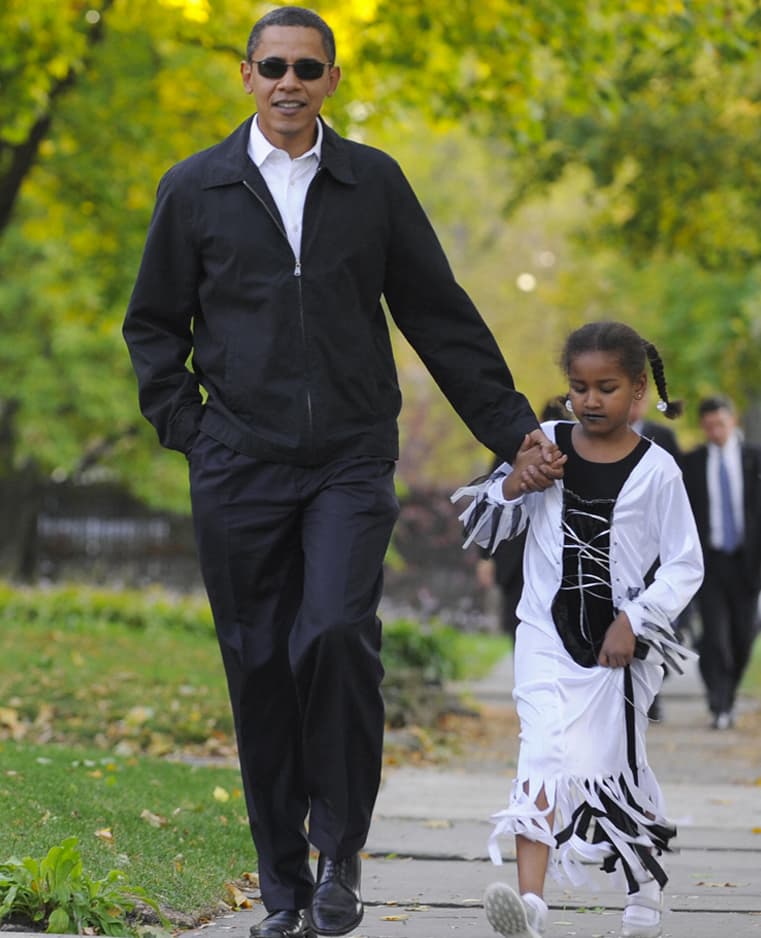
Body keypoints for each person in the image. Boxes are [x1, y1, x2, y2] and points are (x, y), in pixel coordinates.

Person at [122, 8, 564, 938]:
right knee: (258, 668)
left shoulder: (371, 183)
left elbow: (437, 315)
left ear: (329, 79)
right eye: (273, 66)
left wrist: (511, 428)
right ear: (246, 75)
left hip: (350, 462)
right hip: (236, 464)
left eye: (308, 68)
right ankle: (284, 884)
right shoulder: (195, 187)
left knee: (331, 635)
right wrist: (191, 433)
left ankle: (341, 854)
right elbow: (154, 326)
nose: (290, 81)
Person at [452, 321, 703, 938]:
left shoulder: (660, 471)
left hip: (617, 649)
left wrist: (635, 620)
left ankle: (643, 893)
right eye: (579, 388)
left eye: (606, 388)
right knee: (539, 755)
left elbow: (684, 563)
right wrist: (517, 481)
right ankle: (530, 906)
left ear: (638, 390)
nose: (590, 400)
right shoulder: (543, 444)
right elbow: (488, 519)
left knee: (611, 766)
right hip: (542, 633)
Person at [682, 395, 761, 731]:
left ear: (733, 422)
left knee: (743, 636)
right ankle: (720, 703)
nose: (716, 430)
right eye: (709, 425)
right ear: (703, 427)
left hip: (747, 562)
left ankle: (727, 691)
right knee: (715, 636)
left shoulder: (754, 460)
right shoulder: (692, 464)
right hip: (709, 563)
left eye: (722, 423)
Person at [476, 398, 568, 639]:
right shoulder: (518, 447)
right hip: (515, 554)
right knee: (520, 624)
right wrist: (485, 556)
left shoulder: (577, 451)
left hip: (555, 555)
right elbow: (491, 497)